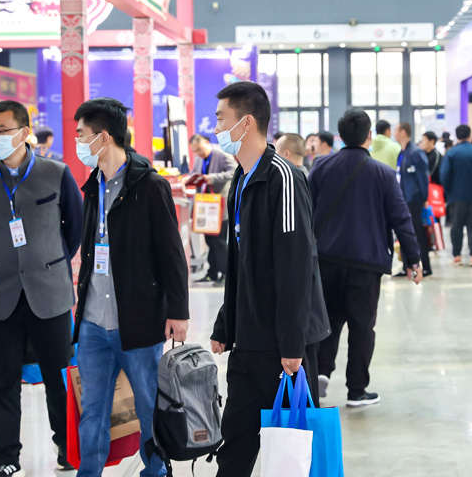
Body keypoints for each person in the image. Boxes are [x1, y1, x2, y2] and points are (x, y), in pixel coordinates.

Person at [209, 82, 330, 477]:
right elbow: (239, 263)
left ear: (246, 123)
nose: (216, 127)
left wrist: (292, 343)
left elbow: (297, 266)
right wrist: (226, 323)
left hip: (283, 344)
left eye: (221, 118)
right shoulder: (240, 181)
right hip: (247, 341)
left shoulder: (284, 178)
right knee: (235, 445)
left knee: (294, 452)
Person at [0, 100, 83, 477]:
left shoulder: (55, 173)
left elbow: (73, 229)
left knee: (58, 378)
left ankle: (66, 447)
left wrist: (45, 262)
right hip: (2, 294)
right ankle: (5, 459)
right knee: (4, 382)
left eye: (2, 130)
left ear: (25, 132)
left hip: (50, 292)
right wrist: (1, 261)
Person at [72, 98, 190, 477]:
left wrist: (178, 311)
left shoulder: (149, 186)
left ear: (103, 137)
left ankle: (155, 472)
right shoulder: (92, 186)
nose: (78, 143)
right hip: (92, 322)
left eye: (81, 135)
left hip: (137, 320)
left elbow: (172, 253)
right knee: (93, 411)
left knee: (148, 408)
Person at [309, 109, 422, 408]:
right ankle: (356, 390)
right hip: (366, 262)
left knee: (326, 320)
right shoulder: (383, 174)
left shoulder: (320, 167)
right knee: (362, 326)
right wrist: (414, 260)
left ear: (339, 136)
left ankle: (321, 373)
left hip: (325, 260)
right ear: (369, 136)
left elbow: (306, 213)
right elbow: (402, 219)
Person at [188, 133, 238, 285]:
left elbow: (234, 171)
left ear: (206, 143)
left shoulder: (221, 154)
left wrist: (213, 177)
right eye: (195, 151)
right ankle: (213, 272)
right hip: (205, 205)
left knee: (219, 241)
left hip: (219, 207)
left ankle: (226, 273)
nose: (198, 154)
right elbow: (195, 173)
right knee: (210, 240)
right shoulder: (199, 158)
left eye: (200, 150)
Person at [440, 125, 472, 268]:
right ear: (470, 135)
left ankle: (457, 256)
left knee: (456, 226)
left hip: (456, 196)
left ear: (457, 136)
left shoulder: (451, 153)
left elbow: (445, 175)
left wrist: (449, 192)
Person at [393, 122, 433, 277]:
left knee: (417, 233)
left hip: (414, 200)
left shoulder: (415, 153)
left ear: (403, 132)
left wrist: (424, 198)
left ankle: (425, 266)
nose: (394, 133)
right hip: (403, 198)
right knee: (404, 232)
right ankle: (406, 266)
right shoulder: (402, 152)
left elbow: (423, 177)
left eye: (396, 130)